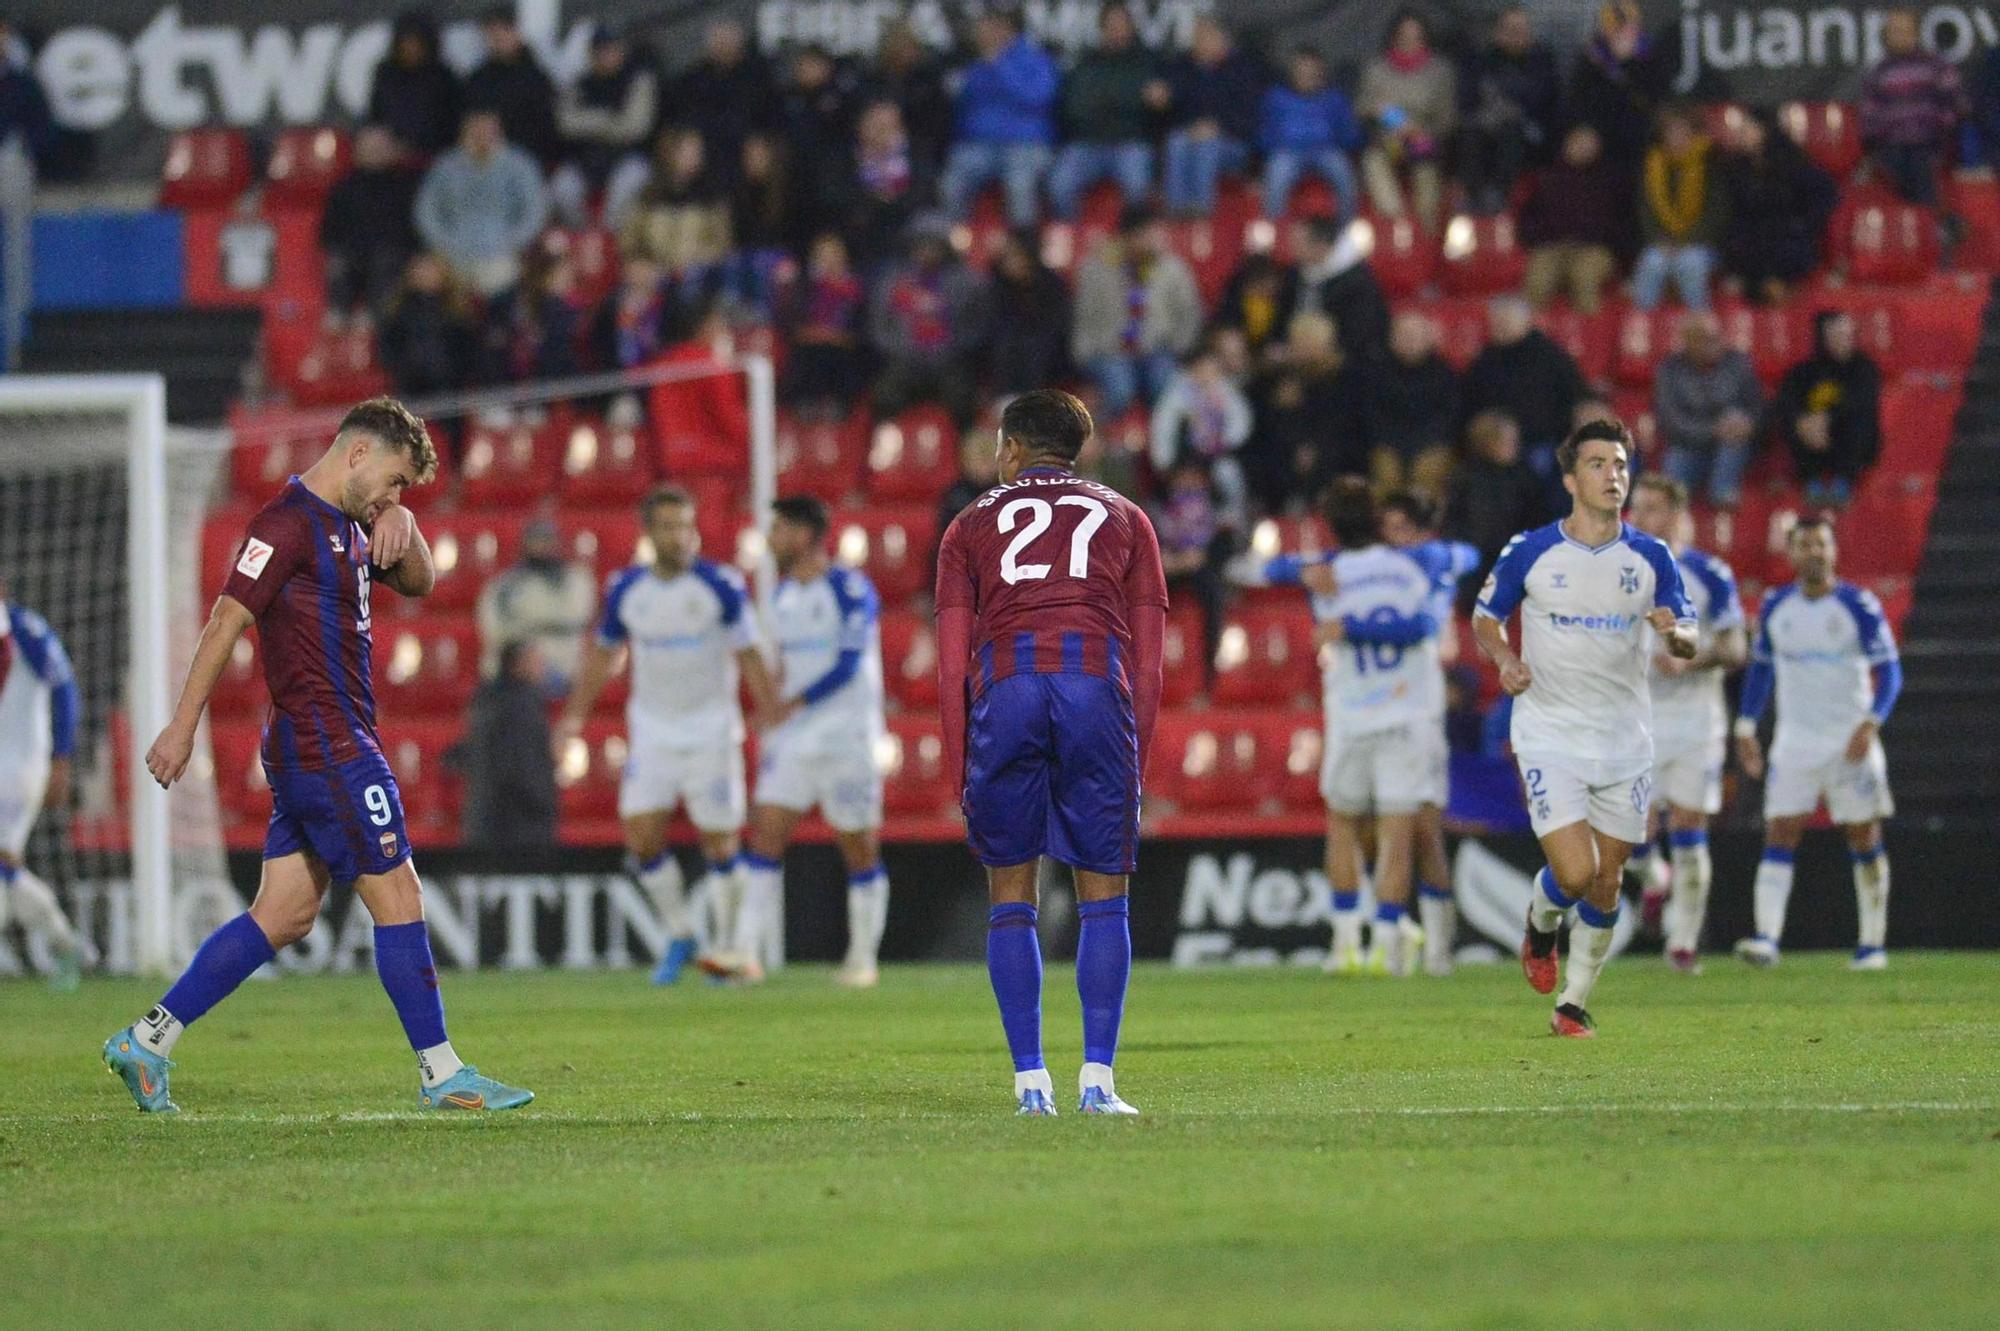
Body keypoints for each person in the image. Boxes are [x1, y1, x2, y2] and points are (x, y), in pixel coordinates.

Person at [109, 398, 531, 1113]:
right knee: (397, 893)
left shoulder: (353, 522)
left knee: (283, 913)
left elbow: (421, 580)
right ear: (358, 454)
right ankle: (441, 1071)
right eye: (395, 481)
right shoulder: (284, 525)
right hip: (328, 743)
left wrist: (407, 522)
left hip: (320, 744)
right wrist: (182, 726)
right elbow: (225, 619)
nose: (395, 495)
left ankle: (148, 1041)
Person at [934, 390, 1167, 1116]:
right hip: (1096, 686)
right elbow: (1153, 660)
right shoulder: (1127, 517)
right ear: (1083, 449)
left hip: (1006, 687)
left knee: (1012, 896)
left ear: (1009, 450)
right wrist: (1140, 755)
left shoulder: (968, 525)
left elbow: (949, 664)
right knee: (1105, 898)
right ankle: (1098, 1080)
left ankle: (1030, 1081)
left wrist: (957, 762)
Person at [1472, 417, 1697, 1038]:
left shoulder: (1651, 556)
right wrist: (1505, 659)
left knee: (1607, 881)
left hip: (1625, 739)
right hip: (1550, 732)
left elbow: (1689, 632)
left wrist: (1675, 635)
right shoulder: (1532, 550)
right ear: (1572, 479)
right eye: (1599, 464)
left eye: (1621, 465)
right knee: (1574, 874)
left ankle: (1571, 1005)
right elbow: (1486, 617)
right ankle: (1541, 927)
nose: (1613, 475)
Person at [555, 486, 780, 986]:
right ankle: (681, 932)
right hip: (653, 731)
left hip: (712, 732)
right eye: (669, 527)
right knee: (641, 837)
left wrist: (770, 718)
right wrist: (573, 720)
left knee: (721, 843)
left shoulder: (720, 585)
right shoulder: (626, 589)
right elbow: (605, 654)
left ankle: (726, 950)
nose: (680, 537)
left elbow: (749, 655)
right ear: (650, 533)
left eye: (686, 526)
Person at [1257, 480, 1447, 977]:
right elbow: (1424, 627)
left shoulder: (1324, 572)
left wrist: (1298, 573)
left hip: (1350, 718)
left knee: (1341, 827)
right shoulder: (1409, 568)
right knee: (1396, 834)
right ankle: (1386, 939)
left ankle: (1345, 943)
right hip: (1404, 718)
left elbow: (1254, 569)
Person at [713, 497, 890, 989]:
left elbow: (849, 663)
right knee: (766, 832)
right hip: (795, 737)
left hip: (847, 735)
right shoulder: (780, 598)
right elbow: (779, 669)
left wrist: (791, 705)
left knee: (859, 846)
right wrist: (771, 706)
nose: (770, 539)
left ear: (808, 535)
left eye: (780, 529)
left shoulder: (850, 590)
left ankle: (862, 958)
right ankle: (744, 953)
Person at [1734, 517, 1901, 970]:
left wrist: (1870, 724)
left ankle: (1872, 944)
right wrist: (1746, 727)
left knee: (1863, 832)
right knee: (1780, 830)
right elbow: (1761, 670)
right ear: (1791, 554)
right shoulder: (1775, 607)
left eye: (1821, 544)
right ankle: (1767, 939)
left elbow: (1890, 671)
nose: (1814, 552)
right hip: (1796, 742)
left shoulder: (1858, 605)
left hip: (1850, 739)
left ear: (1834, 551)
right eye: (1804, 544)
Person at [1624, 475, 1747, 972]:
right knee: (1633, 839)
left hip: (1698, 720)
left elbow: (1736, 648)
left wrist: (1688, 659)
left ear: (1675, 515)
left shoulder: (1709, 574)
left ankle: (1683, 943)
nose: (1641, 518)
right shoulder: (1620, 574)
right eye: (1638, 509)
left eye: (1653, 508)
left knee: (1691, 829)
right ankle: (1654, 879)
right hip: (1638, 721)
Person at [1378, 493, 1483, 975]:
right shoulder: (1383, 576)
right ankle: (1424, 941)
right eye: (1388, 531)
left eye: (1402, 530)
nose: (1393, 542)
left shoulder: (1430, 571)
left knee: (1415, 832)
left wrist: (1439, 555)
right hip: (1381, 713)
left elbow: (1471, 554)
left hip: (1421, 716)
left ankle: (1417, 949)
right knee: (1410, 833)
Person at [0, 588, 85, 989]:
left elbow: (64, 690)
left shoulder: (25, 631)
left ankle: (65, 943)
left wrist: (61, 759)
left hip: (18, 768)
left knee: (5, 863)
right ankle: (64, 943)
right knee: (7, 870)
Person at [1071, 204, 1203, 417]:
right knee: (1120, 389)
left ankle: (1162, 446)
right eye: (1150, 233)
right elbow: (1083, 316)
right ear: (1130, 236)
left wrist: (1180, 347)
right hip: (1109, 349)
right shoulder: (1097, 268)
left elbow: (1189, 313)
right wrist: (1085, 353)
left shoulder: (1173, 268)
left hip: (1157, 349)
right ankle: (1095, 441)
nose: (1157, 240)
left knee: (1166, 383)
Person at [939, 11, 1059, 227]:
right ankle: (955, 246)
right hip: (980, 146)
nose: (983, 36)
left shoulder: (1036, 60)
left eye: (990, 29)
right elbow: (966, 108)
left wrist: (1001, 65)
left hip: (1026, 144)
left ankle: (1022, 249)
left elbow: (1038, 99)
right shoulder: (976, 65)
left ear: (1007, 29)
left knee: (1019, 185)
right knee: (952, 183)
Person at [1049, 4, 1167, 221]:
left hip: (1131, 142)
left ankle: (1130, 242)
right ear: (1101, 28)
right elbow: (1075, 106)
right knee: (1059, 184)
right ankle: (1074, 244)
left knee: (1137, 186)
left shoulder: (1148, 61)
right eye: (1111, 24)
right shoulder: (1087, 62)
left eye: (1121, 24)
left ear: (1131, 27)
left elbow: (1158, 106)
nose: (1116, 29)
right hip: (1088, 143)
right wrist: (1128, 100)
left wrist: (1113, 102)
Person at [413, 110, 549, 297]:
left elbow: (535, 210)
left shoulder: (521, 165)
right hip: (452, 251)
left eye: (488, 131)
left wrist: (512, 243)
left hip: (502, 253)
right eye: (476, 130)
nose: (482, 136)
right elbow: (426, 210)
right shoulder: (445, 166)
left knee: (501, 280)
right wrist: (442, 244)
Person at [867, 216, 988, 425]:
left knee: (963, 400)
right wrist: (898, 348)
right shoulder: (892, 282)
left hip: (948, 359)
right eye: (921, 245)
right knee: (884, 397)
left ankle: (964, 452)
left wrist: (955, 347)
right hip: (904, 359)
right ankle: (886, 453)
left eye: (933, 246)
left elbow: (978, 324)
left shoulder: (967, 283)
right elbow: (879, 325)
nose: (926, 252)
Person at [1244, 309, 1367, 513]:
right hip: (1286, 454)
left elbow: (1347, 425)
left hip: (1335, 453)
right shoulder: (1279, 379)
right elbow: (1264, 425)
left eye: (1311, 342)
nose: (1304, 348)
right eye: (1299, 341)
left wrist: (1317, 448)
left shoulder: (1345, 379)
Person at [1718, 108, 1837, 305]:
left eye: (1748, 129)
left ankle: (1777, 292)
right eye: (1741, 130)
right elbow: (1734, 210)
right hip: (1751, 236)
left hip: (1787, 234)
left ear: (1765, 131)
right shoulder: (1735, 167)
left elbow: (1826, 194)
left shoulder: (1791, 162)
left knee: (1782, 251)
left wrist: (1804, 222)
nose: (1742, 135)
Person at [449, 639, 557, 849]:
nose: (542, 667)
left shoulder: (484, 700)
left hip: (482, 818)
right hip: (520, 825)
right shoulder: (523, 706)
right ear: (518, 664)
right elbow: (522, 765)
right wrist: (543, 803)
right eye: (536, 661)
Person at [1355, 12, 1456, 233]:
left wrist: (1420, 132)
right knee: (1373, 161)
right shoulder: (1377, 70)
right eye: (1404, 37)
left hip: (1424, 139)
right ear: (1394, 37)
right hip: (1388, 140)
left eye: (1416, 37)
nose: (1410, 42)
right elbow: (1360, 108)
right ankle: (1396, 224)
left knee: (1427, 169)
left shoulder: (1440, 71)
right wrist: (1376, 110)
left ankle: (1426, 232)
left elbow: (1447, 120)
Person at [1457, 6, 1563, 215]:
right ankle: (1474, 196)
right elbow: (1467, 100)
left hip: (1529, 132)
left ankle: (1498, 195)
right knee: (1470, 133)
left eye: (1520, 30)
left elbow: (1544, 101)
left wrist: (1512, 104)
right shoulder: (1483, 59)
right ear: (1498, 32)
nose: (1515, 36)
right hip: (1486, 128)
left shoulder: (1542, 60)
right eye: (1509, 29)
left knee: (1511, 129)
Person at [1772, 311, 1884, 509]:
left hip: (1850, 442)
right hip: (1812, 438)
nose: (1842, 341)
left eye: (1846, 336)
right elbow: (1785, 401)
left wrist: (1825, 419)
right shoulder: (1804, 370)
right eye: (1835, 336)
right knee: (1795, 422)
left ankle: (1843, 483)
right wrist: (1802, 421)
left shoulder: (1865, 368)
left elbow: (1863, 402)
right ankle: (1811, 482)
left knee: (1860, 421)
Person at [1859, 8, 1968, 208]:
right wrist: (1873, 146)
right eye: (1895, 31)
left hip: (1929, 144)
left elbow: (1956, 102)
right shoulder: (1877, 71)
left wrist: (1943, 126)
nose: (1900, 36)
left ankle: (1928, 228)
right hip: (1890, 147)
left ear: (1916, 34)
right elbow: (1869, 115)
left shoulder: (1936, 66)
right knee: (1893, 193)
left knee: (1924, 184)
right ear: (1886, 36)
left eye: (1905, 31)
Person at [1655, 311, 1764, 510]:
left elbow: (1758, 406)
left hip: (1732, 443)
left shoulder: (1737, 362)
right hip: (1690, 444)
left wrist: (1749, 424)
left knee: (1733, 438)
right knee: (1674, 461)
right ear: (1688, 341)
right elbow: (1670, 421)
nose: (1714, 344)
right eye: (1705, 339)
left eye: (1717, 337)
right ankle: (1673, 513)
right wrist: (1713, 429)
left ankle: (1722, 500)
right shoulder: (1670, 369)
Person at [550, 25, 658, 227]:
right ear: (591, 54)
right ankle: (584, 239)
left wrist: (587, 123)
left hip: (626, 156)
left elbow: (635, 128)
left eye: (612, 50)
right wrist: (607, 120)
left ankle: (610, 242)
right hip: (585, 158)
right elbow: (565, 124)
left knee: (629, 185)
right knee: (562, 189)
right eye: (600, 51)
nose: (607, 56)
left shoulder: (638, 81)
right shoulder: (580, 83)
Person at [474, 516, 596, 693]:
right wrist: (523, 653)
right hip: (518, 667)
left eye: (547, 540)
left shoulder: (579, 580)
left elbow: (581, 617)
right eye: (536, 540)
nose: (542, 546)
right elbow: (493, 631)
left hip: (568, 661)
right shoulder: (504, 586)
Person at [1160, 15, 1265, 218]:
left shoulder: (1242, 69)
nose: (1199, 42)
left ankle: (1200, 210)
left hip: (1234, 145)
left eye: (1205, 37)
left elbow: (1250, 121)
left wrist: (1218, 128)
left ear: (1222, 39)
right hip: (1192, 138)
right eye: (1197, 37)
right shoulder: (1184, 68)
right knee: (1177, 140)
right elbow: (1174, 113)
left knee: (1207, 145)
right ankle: (1176, 211)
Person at [1459, 294, 1586, 462]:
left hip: (1542, 443)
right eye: (1497, 319)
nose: (1501, 324)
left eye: (1508, 318)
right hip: (1493, 445)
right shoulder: (1484, 360)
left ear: (1526, 321)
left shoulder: (1551, 357)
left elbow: (1574, 399)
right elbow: (1470, 403)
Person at [318, 124, 421, 330]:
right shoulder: (343, 187)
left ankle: (375, 317)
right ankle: (339, 311)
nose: (375, 152)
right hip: (353, 252)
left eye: (380, 146)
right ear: (358, 151)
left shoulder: (408, 186)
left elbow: (413, 229)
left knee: (386, 262)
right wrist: (335, 249)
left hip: (390, 253)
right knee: (338, 263)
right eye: (369, 147)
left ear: (392, 150)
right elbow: (329, 230)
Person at [1443, 409, 1548, 597]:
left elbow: (1537, 519)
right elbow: (1454, 521)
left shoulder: (1526, 477)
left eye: (1515, 441)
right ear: (1486, 442)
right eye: (1507, 441)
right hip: (1476, 557)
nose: (1514, 447)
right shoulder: (1466, 477)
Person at [1518, 123, 1622, 314]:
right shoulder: (1546, 178)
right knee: (1537, 279)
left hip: (1594, 248)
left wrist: (1604, 240)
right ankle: (1533, 336)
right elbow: (1528, 218)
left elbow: (1620, 222)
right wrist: (1540, 239)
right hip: (1551, 246)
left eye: (1590, 144)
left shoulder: (1609, 180)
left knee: (1584, 278)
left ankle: (1591, 338)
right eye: (1579, 143)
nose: (1584, 148)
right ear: (1567, 144)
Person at [1632, 106, 1726, 311]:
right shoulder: (1652, 166)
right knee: (1651, 264)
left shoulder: (1711, 163)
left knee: (1690, 264)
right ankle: (1645, 327)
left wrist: (1684, 241)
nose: (1677, 138)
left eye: (1684, 132)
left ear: (1695, 134)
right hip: (1662, 242)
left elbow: (1718, 214)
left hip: (1702, 242)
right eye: (1671, 132)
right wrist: (1660, 240)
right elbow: (1645, 212)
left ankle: (1700, 324)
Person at [1259, 46, 1362, 221]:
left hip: (1326, 150)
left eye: (1312, 72)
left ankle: (1346, 232)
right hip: (1287, 151)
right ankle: (1276, 232)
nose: (1307, 76)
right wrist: (1273, 147)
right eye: (1302, 71)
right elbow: (1264, 132)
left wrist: (1345, 142)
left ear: (1321, 73)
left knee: (1344, 175)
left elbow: (1349, 133)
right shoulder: (1276, 97)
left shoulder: (1334, 99)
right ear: (1292, 72)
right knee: (1276, 175)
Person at [1364, 311, 1460, 499]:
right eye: (1404, 335)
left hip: (1431, 443)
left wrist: (1424, 443)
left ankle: (1425, 526)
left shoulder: (1444, 375)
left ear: (1427, 339)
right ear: (1392, 339)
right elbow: (1371, 415)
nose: (1409, 341)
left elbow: (1449, 418)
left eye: (1415, 336)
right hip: (1388, 442)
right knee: (1386, 473)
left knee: (1427, 473)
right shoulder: (1377, 373)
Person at [615, 127, 731, 283]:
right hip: (653, 276)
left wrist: (692, 263)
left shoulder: (711, 200)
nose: (694, 158)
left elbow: (722, 246)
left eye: (697, 152)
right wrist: (642, 264)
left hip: (696, 278)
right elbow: (629, 241)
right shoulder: (648, 198)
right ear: (670, 153)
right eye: (687, 152)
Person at [778, 232, 867, 415]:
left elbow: (861, 322)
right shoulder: (803, 285)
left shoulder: (855, 287)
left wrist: (841, 336)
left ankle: (840, 402)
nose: (829, 260)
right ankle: (805, 401)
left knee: (836, 353)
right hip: (808, 341)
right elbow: (792, 319)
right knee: (811, 353)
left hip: (843, 343)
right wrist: (810, 333)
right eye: (824, 255)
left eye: (833, 254)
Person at [462, 5, 560, 168]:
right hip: (480, 160)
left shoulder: (537, 79)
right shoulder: (477, 79)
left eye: (503, 31)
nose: (498, 38)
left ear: (515, 32)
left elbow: (545, 130)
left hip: (525, 161)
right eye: (492, 33)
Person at [985, 227, 1072, 397]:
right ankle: (1006, 400)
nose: (1011, 263)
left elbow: (1057, 326)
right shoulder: (997, 285)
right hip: (1011, 345)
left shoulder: (1052, 284)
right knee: (1005, 347)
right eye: (1008, 258)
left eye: (1017, 257)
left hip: (1048, 349)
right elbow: (993, 324)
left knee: (1036, 350)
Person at [377, 252, 479, 398]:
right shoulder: (397, 312)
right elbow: (388, 348)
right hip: (410, 385)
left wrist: (454, 371)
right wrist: (406, 369)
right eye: (421, 269)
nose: (426, 274)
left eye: (431, 269)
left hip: (451, 385)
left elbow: (469, 348)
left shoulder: (458, 311)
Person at [1294, 215, 1391, 366]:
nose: (1293, 248)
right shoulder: (1297, 273)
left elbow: (1360, 335)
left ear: (1320, 246)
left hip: (1348, 364)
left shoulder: (1357, 283)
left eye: (1299, 244)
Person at [367, 11, 462, 160]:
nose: (411, 49)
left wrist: (417, 145)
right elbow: (375, 116)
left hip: (432, 157)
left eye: (417, 43)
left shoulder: (444, 78)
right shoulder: (386, 74)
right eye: (406, 43)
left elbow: (452, 125)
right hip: (388, 158)